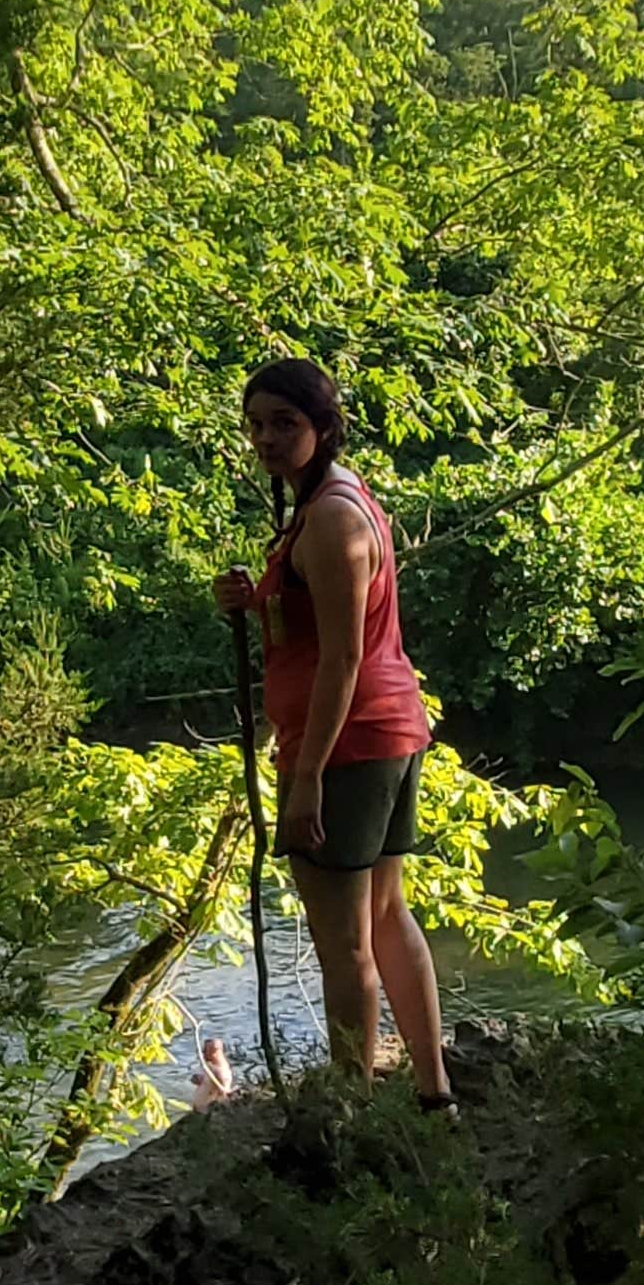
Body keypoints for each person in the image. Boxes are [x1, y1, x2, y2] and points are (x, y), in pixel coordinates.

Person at [212, 357, 455, 1110]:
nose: (268, 439)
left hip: (348, 747)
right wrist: (254, 602)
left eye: (286, 423)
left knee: (344, 943)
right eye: (256, 424)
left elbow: (345, 654)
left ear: (323, 427)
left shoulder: (333, 518)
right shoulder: (326, 507)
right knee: (385, 915)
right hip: (382, 733)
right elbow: (316, 625)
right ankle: (430, 1094)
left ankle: (354, 1106)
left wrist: (308, 773)